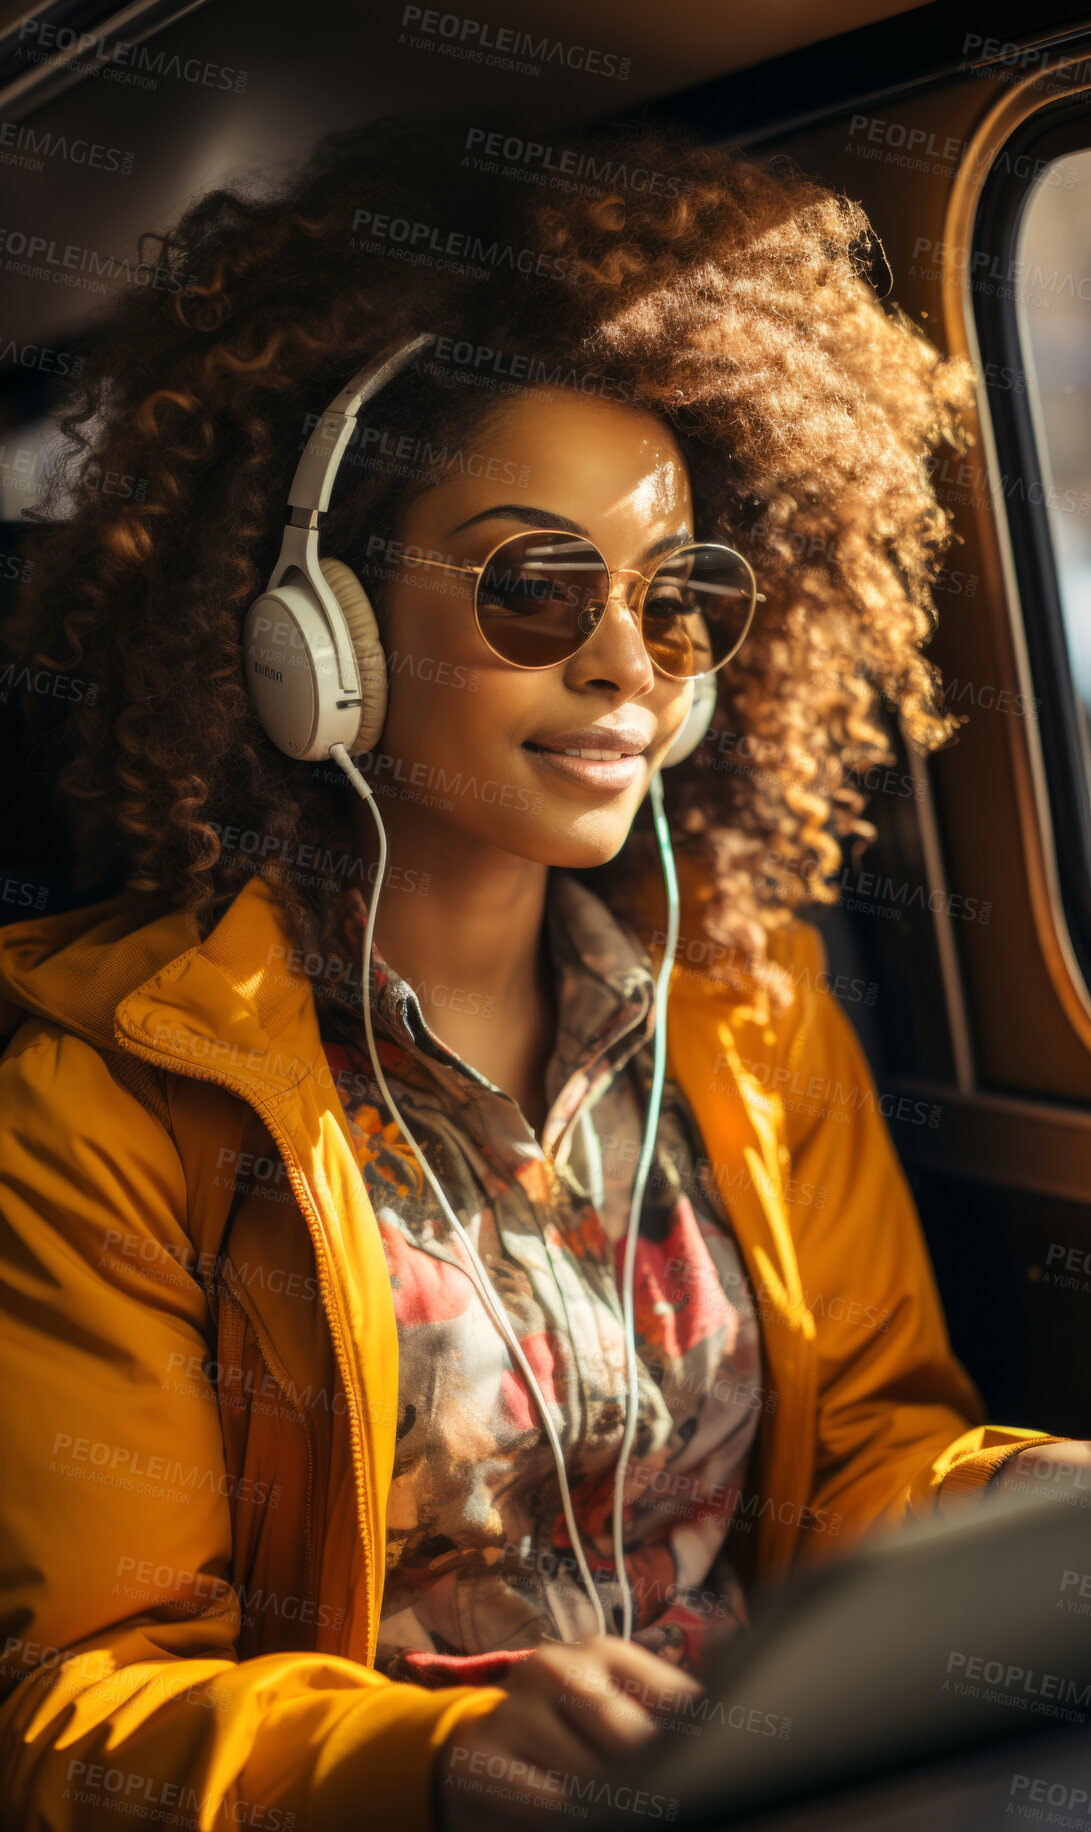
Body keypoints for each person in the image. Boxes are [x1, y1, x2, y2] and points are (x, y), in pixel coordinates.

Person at [0, 115, 1085, 1832]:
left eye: (678, 601)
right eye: (535, 587)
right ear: (320, 631)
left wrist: (1032, 1510)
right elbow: (76, 1707)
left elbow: (867, 1450)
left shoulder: (753, 1014)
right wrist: (440, 1765)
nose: (624, 666)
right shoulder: (105, 1097)